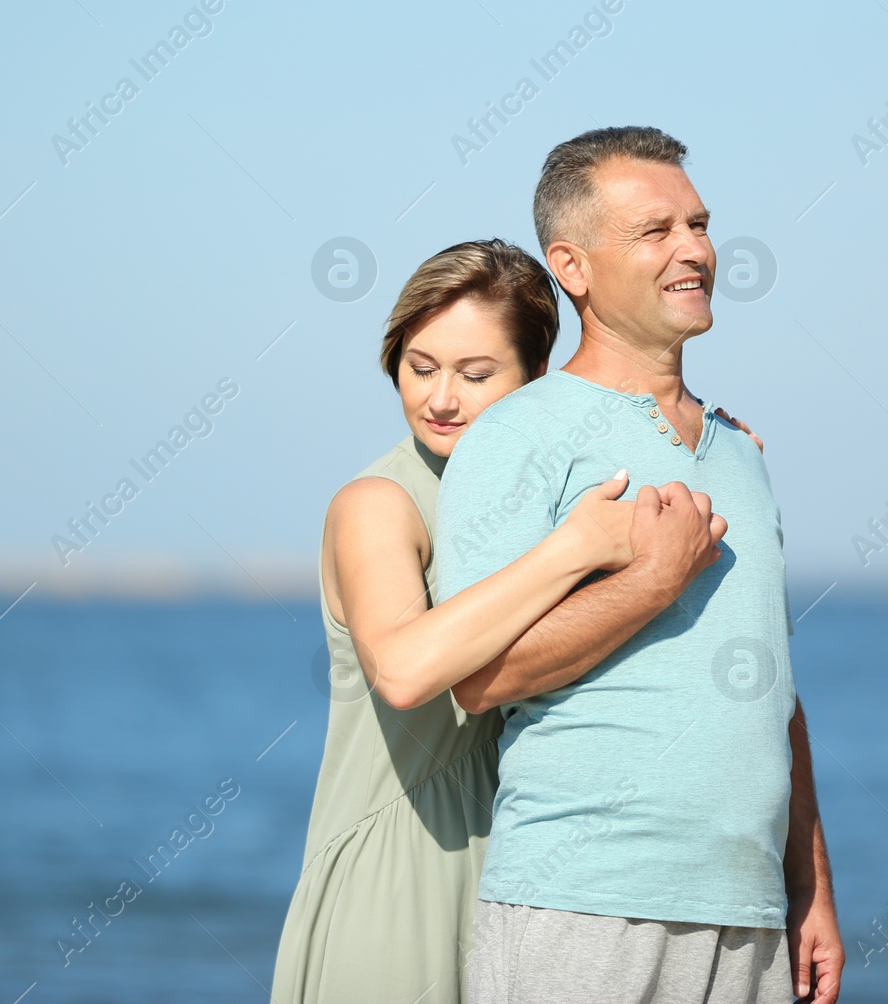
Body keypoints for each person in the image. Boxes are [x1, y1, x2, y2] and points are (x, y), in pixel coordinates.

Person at [270, 239, 749, 1003]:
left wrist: (707, 446)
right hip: (397, 877)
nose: (440, 398)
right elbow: (403, 670)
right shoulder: (378, 505)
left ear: (535, 380)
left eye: (476, 373)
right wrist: (575, 548)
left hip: (534, 875)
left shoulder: (555, 485)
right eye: (419, 366)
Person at [435, 129, 845, 1003]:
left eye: (698, 224)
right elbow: (474, 680)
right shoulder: (516, 436)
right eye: (656, 231)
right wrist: (653, 582)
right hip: (583, 908)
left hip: (750, 915)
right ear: (572, 267)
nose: (695, 249)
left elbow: (775, 687)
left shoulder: (742, 450)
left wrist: (810, 882)